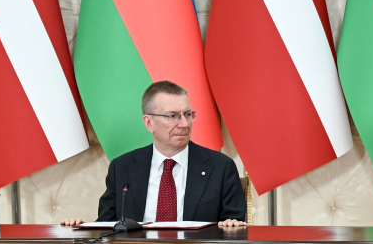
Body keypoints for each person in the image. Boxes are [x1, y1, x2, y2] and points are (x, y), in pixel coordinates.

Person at [62, 81, 247, 227]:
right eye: (172, 116)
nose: (184, 124)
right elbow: (107, 225)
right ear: (149, 123)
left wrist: (232, 226)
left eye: (187, 114)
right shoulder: (123, 167)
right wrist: (83, 227)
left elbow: (233, 225)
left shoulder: (220, 167)